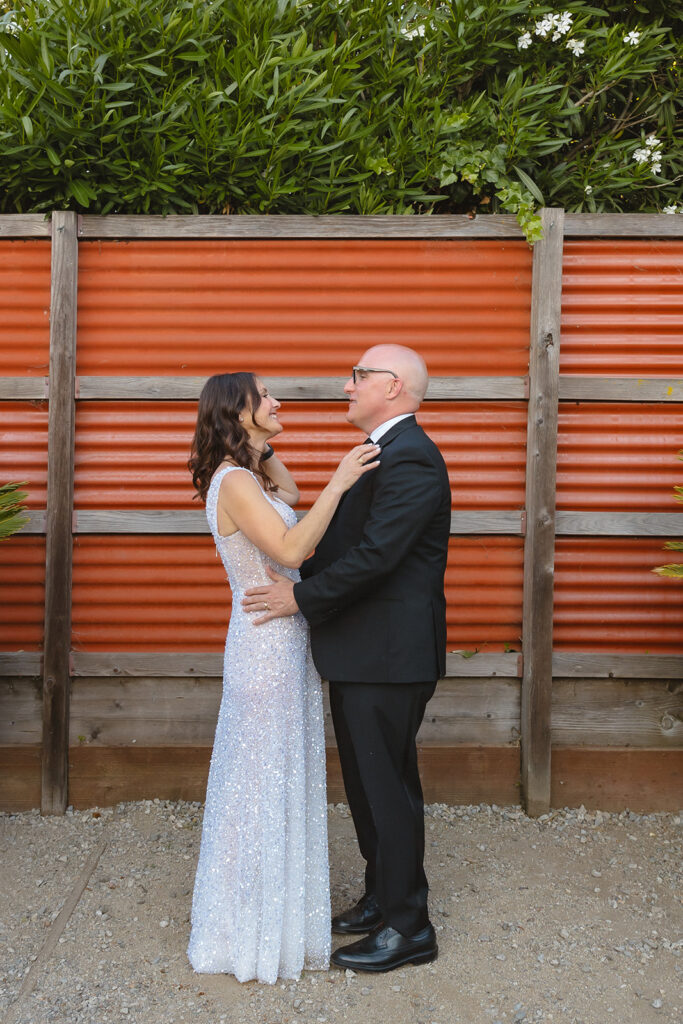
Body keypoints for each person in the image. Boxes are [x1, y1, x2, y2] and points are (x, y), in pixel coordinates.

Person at [242, 345, 451, 973]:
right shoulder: (381, 453)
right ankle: (381, 897)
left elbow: (378, 557)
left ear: (393, 387)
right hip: (363, 652)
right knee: (366, 784)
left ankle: (409, 927)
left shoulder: (412, 458)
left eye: (359, 376)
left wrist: (296, 598)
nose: (347, 384)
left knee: (387, 787)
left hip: (388, 655)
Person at [186, 371, 380, 984]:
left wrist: (262, 445)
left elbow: (289, 491)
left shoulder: (250, 472)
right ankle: (249, 929)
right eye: (265, 397)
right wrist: (342, 480)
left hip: (282, 641)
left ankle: (276, 917)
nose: (278, 402)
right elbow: (293, 551)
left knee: (277, 777)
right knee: (260, 783)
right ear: (236, 410)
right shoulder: (234, 482)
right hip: (265, 646)